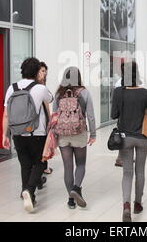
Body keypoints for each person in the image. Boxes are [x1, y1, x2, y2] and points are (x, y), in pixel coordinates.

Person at [2, 58, 54, 213]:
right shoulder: (40, 88)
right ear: (37, 71)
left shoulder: (12, 88)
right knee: (40, 163)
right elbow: (50, 99)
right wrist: (41, 81)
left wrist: (4, 134)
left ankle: (28, 194)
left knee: (25, 165)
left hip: (17, 133)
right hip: (36, 132)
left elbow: (6, 114)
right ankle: (29, 190)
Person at [111, 61, 147, 222]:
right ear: (137, 74)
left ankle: (126, 206)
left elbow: (113, 115)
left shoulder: (118, 92)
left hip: (125, 138)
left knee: (127, 173)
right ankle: (138, 203)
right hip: (143, 138)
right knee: (140, 171)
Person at [53, 67, 96, 209]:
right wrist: (93, 134)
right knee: (81, 164)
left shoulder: (59, 94)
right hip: (79, 133)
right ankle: (76, 188)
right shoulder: (84, 92)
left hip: (63, 135)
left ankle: (70, 201)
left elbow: (54, 116)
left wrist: (53, 134)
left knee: (68, 167)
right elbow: (90, 115)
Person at [36, 61, 53, 176]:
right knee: (43, 144)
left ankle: (44, 166)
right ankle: (43, 167)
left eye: (45, 71)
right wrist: (49, 118)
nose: (44, 73)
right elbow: (47, 103)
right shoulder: (40, 87)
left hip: (39, 121)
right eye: (42, 71)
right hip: (40, 121)